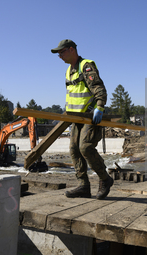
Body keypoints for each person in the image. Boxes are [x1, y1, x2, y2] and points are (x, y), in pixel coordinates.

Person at [51, 39, 113, 200]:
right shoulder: (68, 71)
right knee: (74, 150)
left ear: (72, 50)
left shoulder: (86, 66)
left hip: (89, 116)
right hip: (75, 118)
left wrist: (99, 106)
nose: (60, 56)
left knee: (85, 147)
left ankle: (105, 179)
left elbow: (99, 88)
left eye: (62, 52)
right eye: (58, 53)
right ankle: (84, 186)